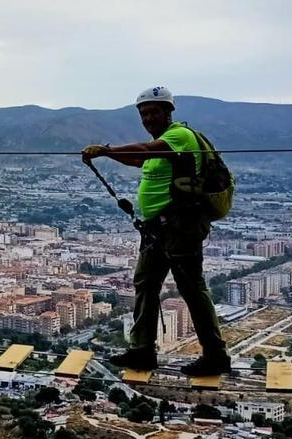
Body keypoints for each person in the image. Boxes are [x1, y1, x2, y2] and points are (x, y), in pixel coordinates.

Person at [81, 86, 230, 377]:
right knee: (145, 284)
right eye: (144, 113)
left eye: (154, 112)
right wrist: (108, 156)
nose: (148, 118)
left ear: (168, 112)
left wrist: (106, 150)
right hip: (156, 229)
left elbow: (145, 151)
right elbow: (140, 158)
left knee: (191, 289)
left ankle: (215, 355)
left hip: (180, 225)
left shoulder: (179, 136)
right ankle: (142, 350)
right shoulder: (164, 143)